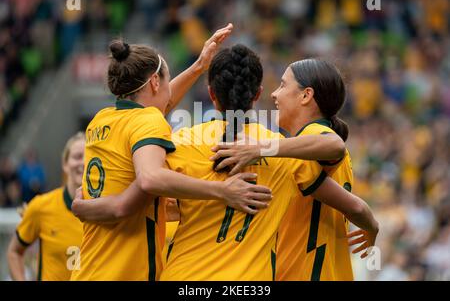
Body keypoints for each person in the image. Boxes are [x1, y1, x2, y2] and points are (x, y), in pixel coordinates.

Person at [72, 45, 378, 280]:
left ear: (211, 95)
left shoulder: (178, 144)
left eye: (283, 85)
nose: (275, 92)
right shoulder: (292, 156)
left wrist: (88, 207)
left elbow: (152, 197)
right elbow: (349, 193)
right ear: (256, 93)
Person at [70, 25, 272, 281]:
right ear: (155, 82)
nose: (168, 98)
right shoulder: (148, 122)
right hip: (122, 272)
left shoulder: (101, 120)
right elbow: (150, 178)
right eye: (166, 80)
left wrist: (199, 66)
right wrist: (222, 191)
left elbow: (157, 106)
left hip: (89, 267)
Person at [211, 59, 367, 280]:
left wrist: (260, 148)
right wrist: (370, 224)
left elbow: (334, 145)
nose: (274, 94)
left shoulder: (311, 135)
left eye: (283, 85)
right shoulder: (301, 148)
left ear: (306, 96)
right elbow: (357, 208)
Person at [7, 132, 85, 281]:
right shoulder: (42, 206)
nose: (83, 162)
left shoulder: (106, 210)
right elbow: (14, 252)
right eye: (77, 156)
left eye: (89, 156)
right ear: (65, 164)